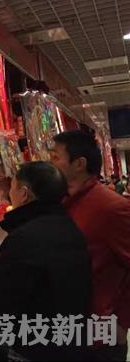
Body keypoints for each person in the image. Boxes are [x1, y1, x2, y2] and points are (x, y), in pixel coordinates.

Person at [0, 161, 91, 361]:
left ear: (23, 193)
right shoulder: (72, 229)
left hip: (32, 348)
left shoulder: (22, 239)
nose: (8, 194)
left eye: (12, 187)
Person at [51, 131, 130, 361]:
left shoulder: (111, 207)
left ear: (79, 164)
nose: (50, 163)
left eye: (55, 157)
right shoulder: (59, 202)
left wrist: (122, 321)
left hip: (100, 338)